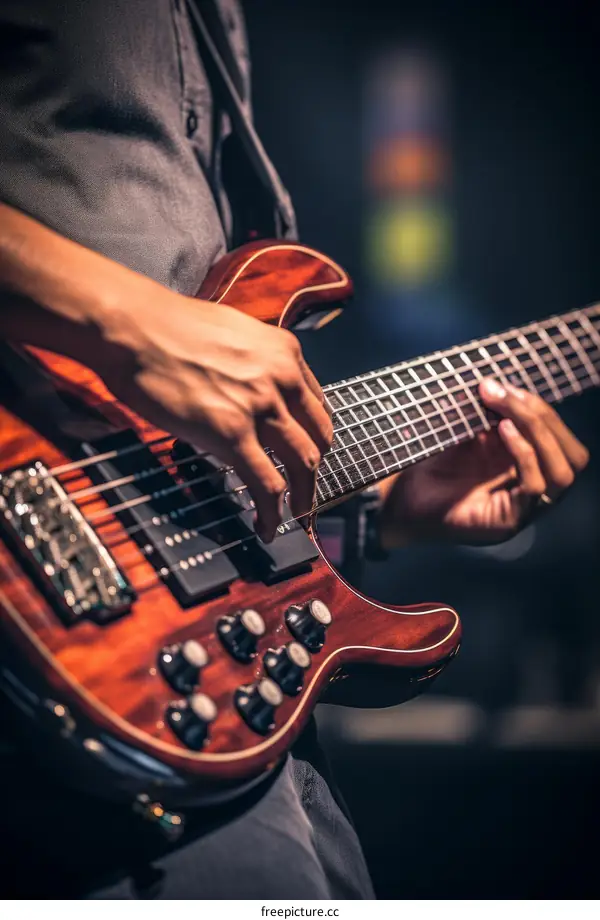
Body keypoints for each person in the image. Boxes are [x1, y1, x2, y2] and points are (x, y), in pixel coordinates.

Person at [0, 0, 590, 900]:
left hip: (195, 688)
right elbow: (164, 341)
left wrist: (379, 514)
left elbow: (180, 448)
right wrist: (129, 325)